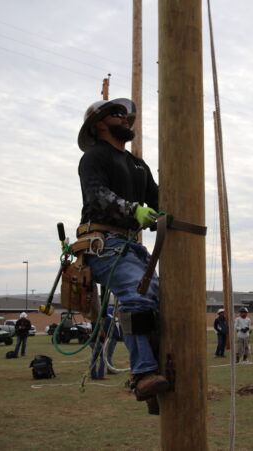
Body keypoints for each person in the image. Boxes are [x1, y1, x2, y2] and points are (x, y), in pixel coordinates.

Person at [77, 98, 168, 412]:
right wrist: (134, 210)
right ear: (99, 123)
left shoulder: (137, 165)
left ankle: (155, 377)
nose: (126, 118)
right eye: (118, 114)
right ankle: (143, 374)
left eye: (128, 115)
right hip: (105, 244)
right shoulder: (94, 156)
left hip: (133, 246)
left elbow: (160, 200)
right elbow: (97, 196)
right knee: (135, 296)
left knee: (158, 305)